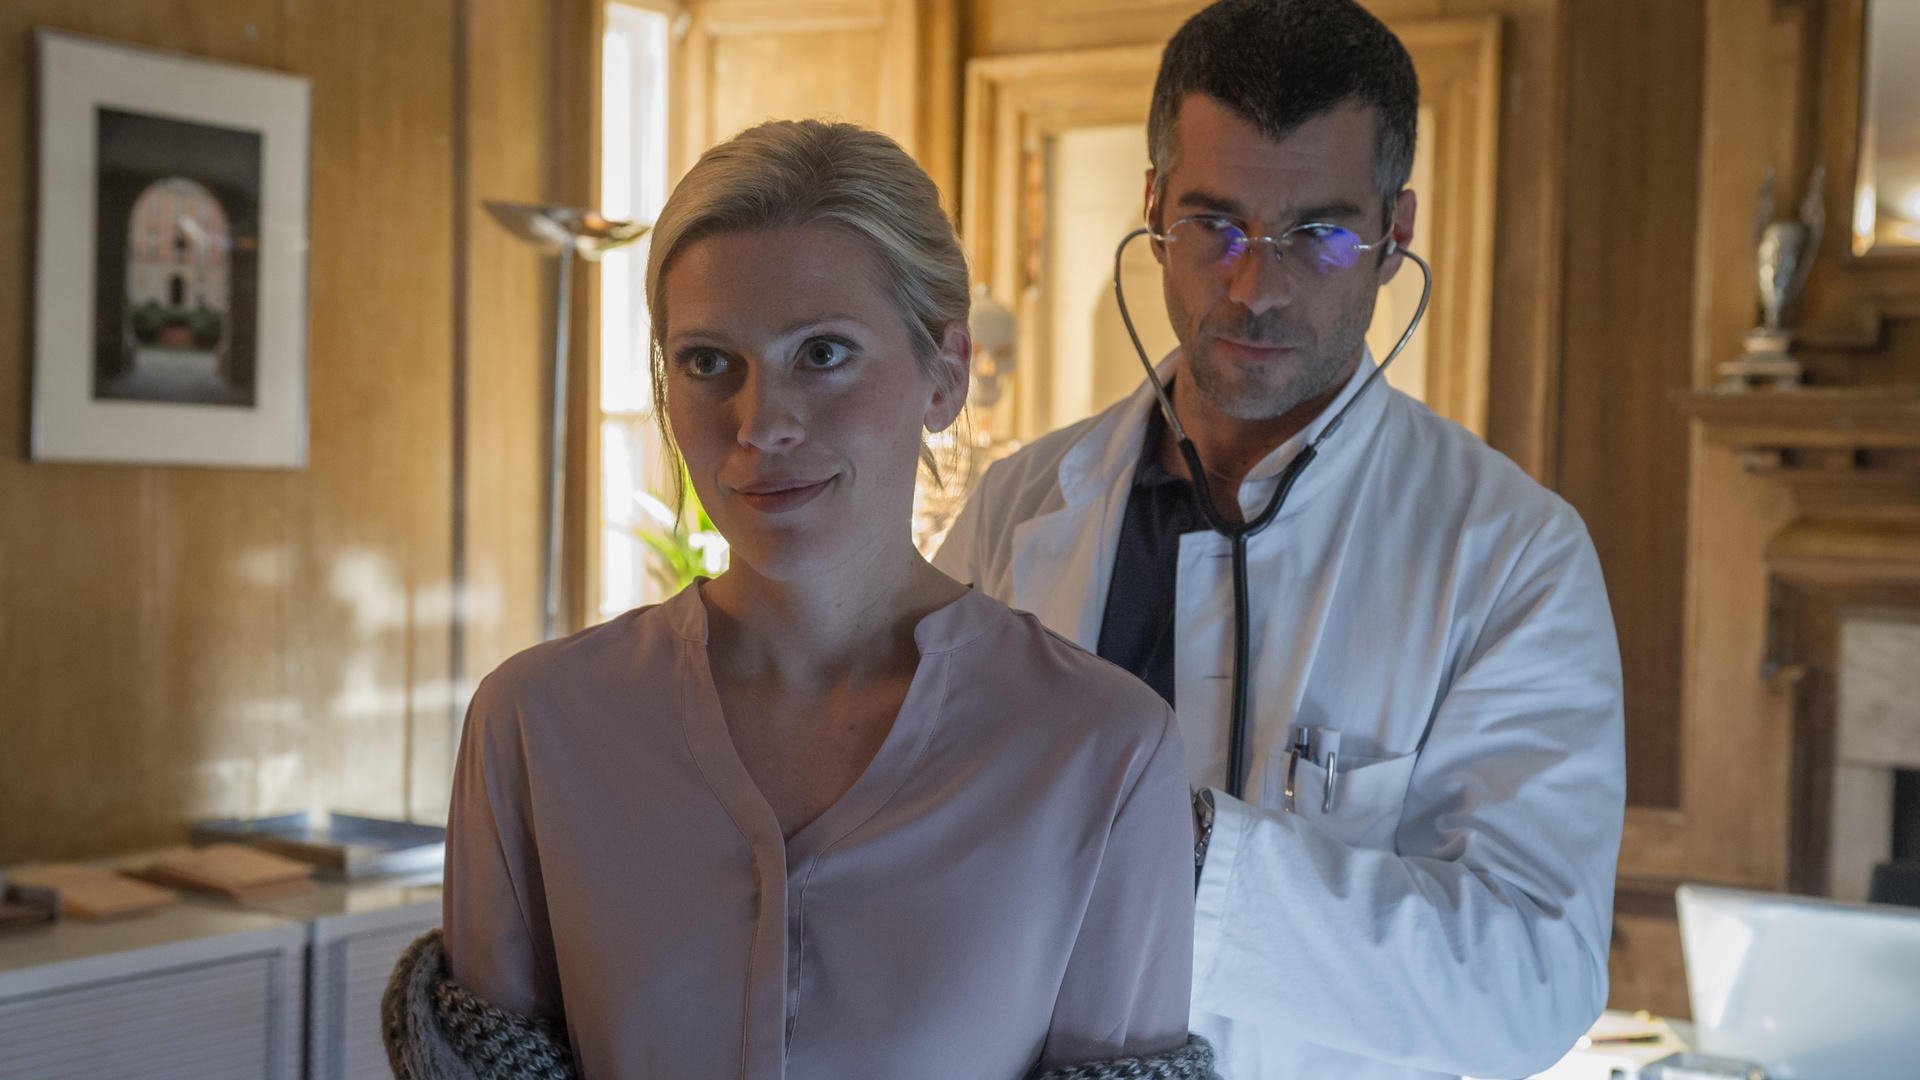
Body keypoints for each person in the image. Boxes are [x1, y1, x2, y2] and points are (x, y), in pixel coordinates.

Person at [383, 119, 1214, 1080]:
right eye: (707, 362)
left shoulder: (1103, 752)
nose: (761, 424)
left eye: (822, 353)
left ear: (945, 375)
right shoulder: (534, 725)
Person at [934, 2, 1626, 1078]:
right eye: (1214, 225)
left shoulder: (1511, 556)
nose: (1256, 288)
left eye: (1320, 234)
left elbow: (1531, 981)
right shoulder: (1018, 505)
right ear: (1153, 208)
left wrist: (1185, 854)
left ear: (1396, 235)